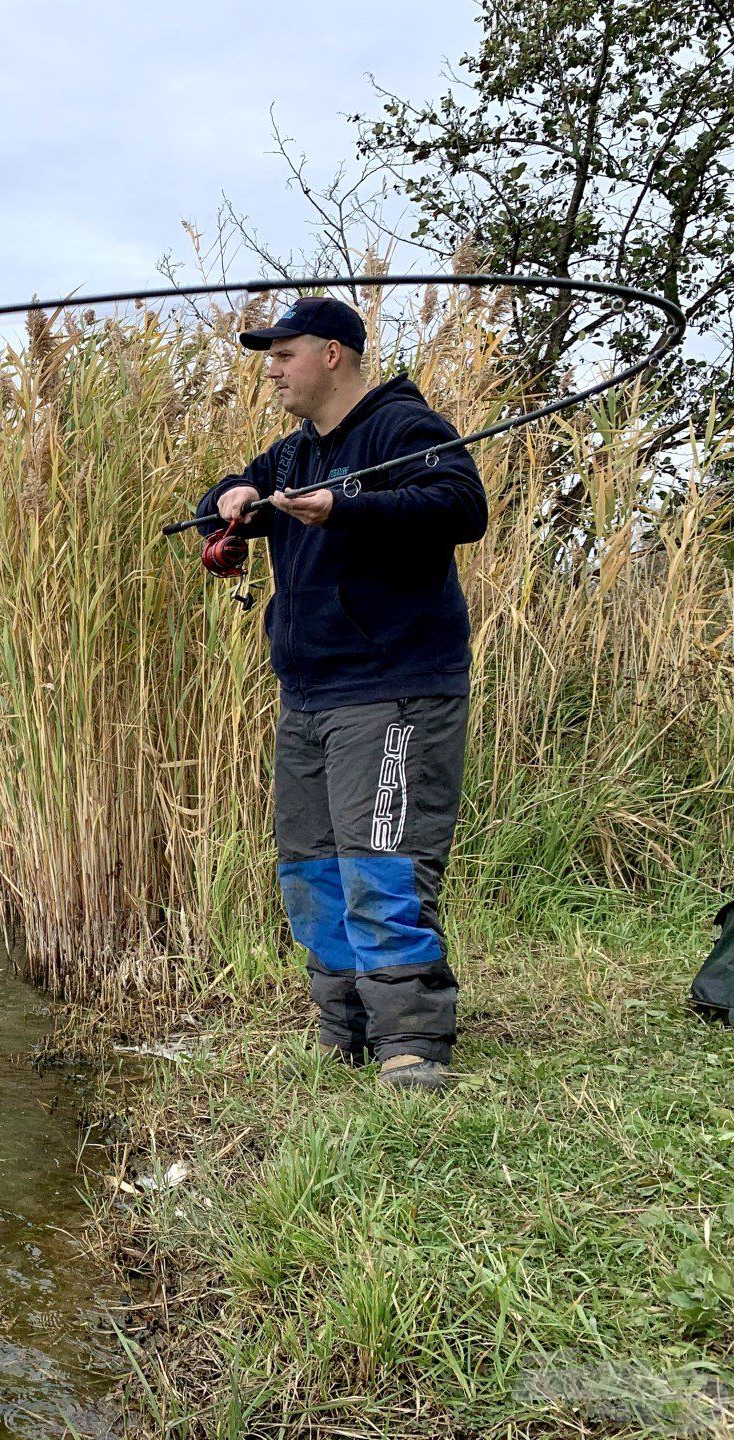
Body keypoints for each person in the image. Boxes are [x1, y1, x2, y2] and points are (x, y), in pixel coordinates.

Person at [195, 295, 488, 1091]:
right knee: (311, 871)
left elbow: (463, 507)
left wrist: (346, 507)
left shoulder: (405, 428)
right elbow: (221, 501)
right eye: (268, 354)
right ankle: (343, 1028)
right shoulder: (291, 456)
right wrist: (226, 500)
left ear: (333, 354)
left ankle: (412, 1043)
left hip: (394, 688)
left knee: (383, 865)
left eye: (284, 353)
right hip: (309, 694)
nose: (272, 367)